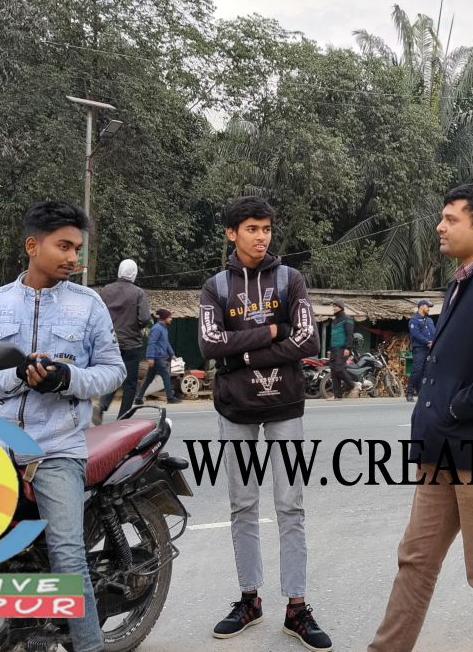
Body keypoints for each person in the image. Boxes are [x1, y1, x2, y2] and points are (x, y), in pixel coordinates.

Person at [369, 183, 473, 652]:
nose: (440, 227)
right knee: (415, 560)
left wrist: (458, 406)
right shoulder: (462, 280)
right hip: (440, 450)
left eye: (451, 219)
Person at [0, 200, 124, 652]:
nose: (74, 257)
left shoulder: (89, 305)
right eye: (64, 246)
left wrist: (67, 379)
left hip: (57, 449)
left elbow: (113, 371)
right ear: (33, 246)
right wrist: (17, 375)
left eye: (77, 247)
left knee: (68, 557)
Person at [197, 196, 331, 651]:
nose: (261, 236)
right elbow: (211, 345)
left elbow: (308, 337)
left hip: (285, 405)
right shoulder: (215, 286)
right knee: (242, 505)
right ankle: (249, 600)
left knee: (291, 506)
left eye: (267, 228)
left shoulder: (291, 280)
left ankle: (297, 607)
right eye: (252, 228)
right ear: (232, 233)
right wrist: (274, 331)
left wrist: (247, 352)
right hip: (235, 409)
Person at [97, 259, 152, 422]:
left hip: (110, 343)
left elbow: (98, 315)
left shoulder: (106, 291)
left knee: (113, 376)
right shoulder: (138, 293)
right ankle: (123, 418)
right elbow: (145, 318)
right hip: (131, 344)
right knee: (129, 383)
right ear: (134, 274)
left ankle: (101, 406)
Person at [133, 309, 180, 405]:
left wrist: (172, 354)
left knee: (148, 379)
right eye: (170, 317)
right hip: (157, 358)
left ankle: (138, 398)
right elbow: (151, 343)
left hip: (157, 358)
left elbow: (166, 343)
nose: (171, 319)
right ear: (164, 318)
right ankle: (170, 398)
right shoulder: (157, 329)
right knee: (166, 376)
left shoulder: (163, 329)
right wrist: (150, 357)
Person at [406, 300, 435, 402]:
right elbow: (416, 334)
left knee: (426, 371)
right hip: (419, 349)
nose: (429, 309)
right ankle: (409, 392)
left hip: (430, 349)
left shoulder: (430, 321)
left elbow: (434, 333)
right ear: (422, 307)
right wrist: (427, 342)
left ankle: (421, 393)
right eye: (428, 307)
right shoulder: (414, 320)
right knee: (417, 371)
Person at [327, 301, 355, 399]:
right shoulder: (334, 321)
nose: (333, 308)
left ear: (341, 308)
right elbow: (332, 336)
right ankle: (337, 396)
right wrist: (329, 349)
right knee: (334, 372)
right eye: (333, 307)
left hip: (343, 349)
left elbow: (350, 335)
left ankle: (352, 385)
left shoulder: (348, 319)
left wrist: (348, 348)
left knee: (339, 369)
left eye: (335, 307)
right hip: (334, 349)